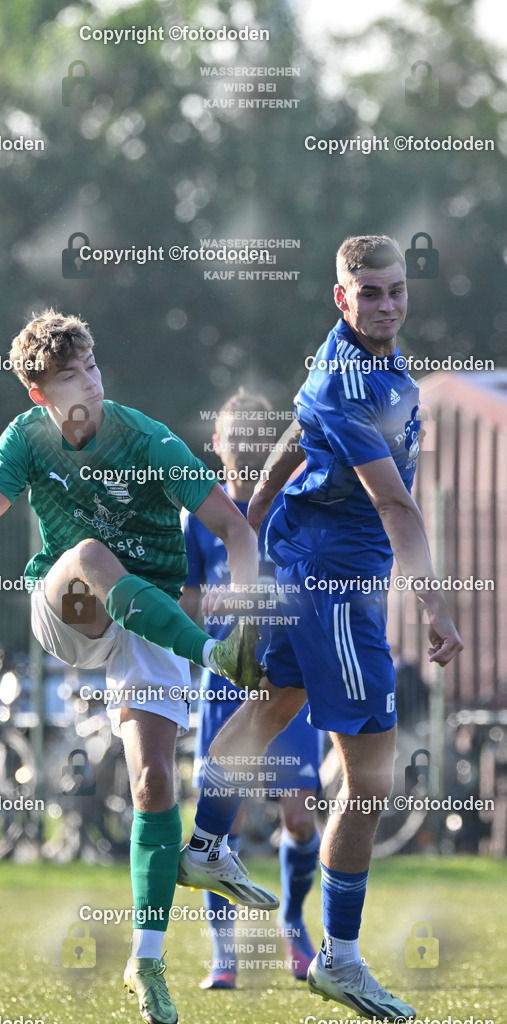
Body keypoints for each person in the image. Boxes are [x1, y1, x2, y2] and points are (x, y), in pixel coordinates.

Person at [0, 307, 268, 1024]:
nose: (86, 384)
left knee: (154, 782)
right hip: (69, 608)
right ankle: (217, 656)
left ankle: (146, 963)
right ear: (40, 394)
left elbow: (232, 528)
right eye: (67, 377)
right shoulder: (25, 439)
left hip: (147, 617)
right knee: (90, 557)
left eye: (89, 367)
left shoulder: (146, 438)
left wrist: (244, 603)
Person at [178, 235, 463, 1021]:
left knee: (273, 702)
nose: (385, 304)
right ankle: (338, 957)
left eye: (395, 290)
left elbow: (292, 438)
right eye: (367, 292)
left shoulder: (338, 357)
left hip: (296, 560)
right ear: (341, 298)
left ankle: (203, 847)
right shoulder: (353, 382)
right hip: (334, 586)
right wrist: (435, 606)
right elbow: (396, 507)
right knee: (370, 773)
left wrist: (254, 513)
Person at [180, 388, 322, 988]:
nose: (245, 450)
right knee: (225, 825)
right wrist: (207, 612)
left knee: (298, 817)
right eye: (235, 441)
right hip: (223, 687)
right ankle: (224, 953)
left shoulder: (289, 508)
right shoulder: (202, 518)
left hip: (285, 682)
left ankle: (292, 922)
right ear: (218, 446)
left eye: (256, 442)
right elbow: (185, 596)